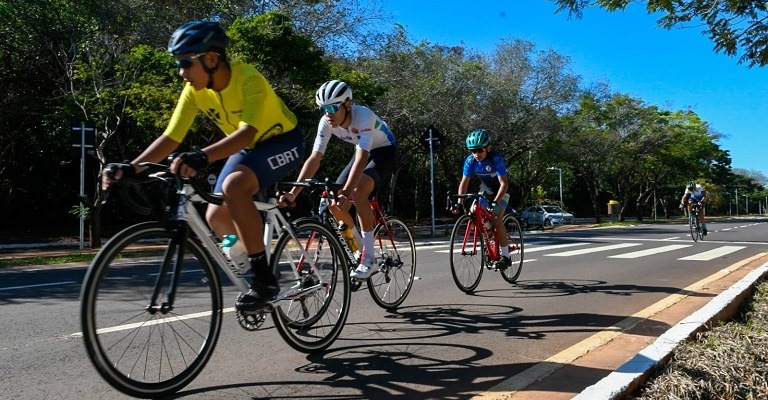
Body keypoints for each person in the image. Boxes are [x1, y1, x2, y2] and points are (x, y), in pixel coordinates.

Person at [101, 21, 305, 311]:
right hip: (248, 147)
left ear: (211, 59)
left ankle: (264, 278)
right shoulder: (194, 90)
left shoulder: (249, 79)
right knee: (215, 215)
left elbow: (247, 132)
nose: (181, 72)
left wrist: (201, 156)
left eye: (185, 63)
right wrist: (132, 167)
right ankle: (247, 261)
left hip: (284, 140)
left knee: (235, 187)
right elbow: (171, 136)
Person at [278, 80, 398, 279]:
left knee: (358, 192)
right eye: (323, 108)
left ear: (347, 105)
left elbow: (362, 157)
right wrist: (293, 193)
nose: (328, 113)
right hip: (362, 151)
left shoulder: (363, 116)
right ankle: (359, 250)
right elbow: (315, 158)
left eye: (333, 107)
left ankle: (369, 259)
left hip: (384, 151)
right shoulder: (326, 122)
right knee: (333, 201)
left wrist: (348, 191)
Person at [453, 129, 511, 269]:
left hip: (501, 191)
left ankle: (505, 256)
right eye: (473, 151)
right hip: (485, 190)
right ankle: (489, 235)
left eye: (480, 150)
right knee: (474, 210)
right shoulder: (470, 161)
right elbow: (464, 182)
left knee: (496, 219)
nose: (476, 154)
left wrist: (495, 202)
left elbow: (504, 184)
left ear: (488, 148)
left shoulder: (496, 158)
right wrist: (459, 203)